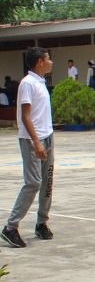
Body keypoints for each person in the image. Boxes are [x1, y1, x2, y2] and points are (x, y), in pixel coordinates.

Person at [1, 47, 55, 249]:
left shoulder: (41, 82)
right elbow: (25, 115)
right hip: (33, 139)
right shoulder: (27, 83)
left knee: (47, 181)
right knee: (33, 182)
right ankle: (10, 227)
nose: (51, 62)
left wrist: (47, 138)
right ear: (40, 62)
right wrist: (37, 142)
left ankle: (41, 222)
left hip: (47, 136)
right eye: (48, 59)